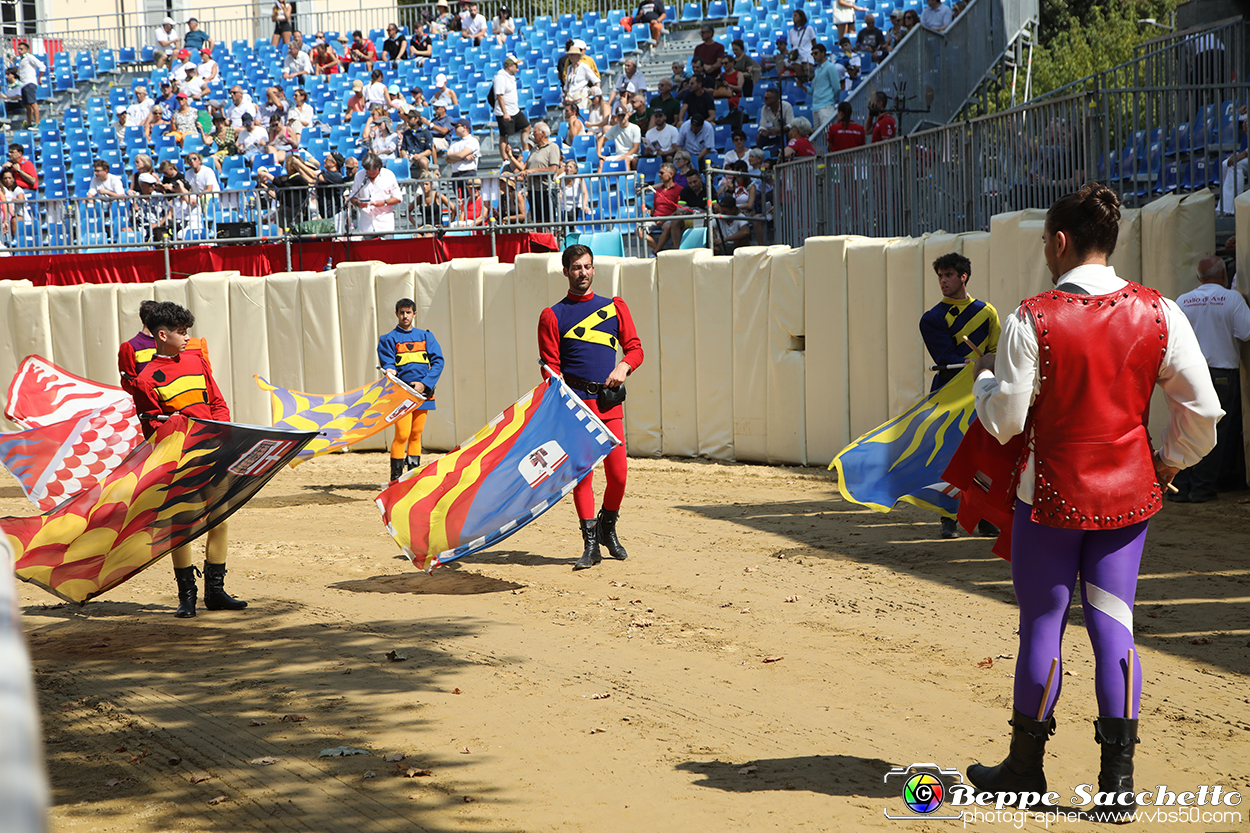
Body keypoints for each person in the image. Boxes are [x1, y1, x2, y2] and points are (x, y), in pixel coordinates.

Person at [959, 184, 1220, 823]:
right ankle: (1118, 782)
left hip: (1049, 494)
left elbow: (1006, 420)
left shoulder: (1033, 316)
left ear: (1058, 241)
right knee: (1115, 626)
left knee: (1043, 625)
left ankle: (1024, 772)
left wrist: (984, 386)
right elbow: (1203, 412)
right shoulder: (1160, 312)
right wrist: (1168, 462)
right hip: (1128, 495)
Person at [125, 301, 246, 618]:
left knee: (220, 518)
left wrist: (221, 433)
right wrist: (184, 430)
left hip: (214, 451)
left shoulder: (197, 361)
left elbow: (217, 402)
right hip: (181, 459)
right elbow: (153, 429)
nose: (187, 337)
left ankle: (215, 593)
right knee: (182, 525)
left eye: (188, 331)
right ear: (162, 335)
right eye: (181, 332)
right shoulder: (146, 379)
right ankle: (186, 597)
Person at [538, 245, 644, 569]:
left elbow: (635, 349)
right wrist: (559, 391)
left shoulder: (615, 306)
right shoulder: (552, 315)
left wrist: (623, 368)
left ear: (593, 269)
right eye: (575, 268)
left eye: (586, 267)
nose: (582, 273)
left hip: (608, 404)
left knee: (619, 476)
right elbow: (549, 367)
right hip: (576, 408)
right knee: (582, 477)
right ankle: (590, 545)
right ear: (566, 271)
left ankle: (607, 528)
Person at [919, 252, 1000, 539]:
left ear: (963, 276)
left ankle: (985, 516)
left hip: (982, 392)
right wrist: (978, 364)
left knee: (984, 456)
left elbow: (995, 351)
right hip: (949, 395)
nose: (943, 281)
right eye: (940, 276)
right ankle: (948, 518)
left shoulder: (987, 312)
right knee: (949, 456)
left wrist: (988, 365)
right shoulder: (932, 318)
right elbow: (945, 357)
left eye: (948, 275)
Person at [1171, 256, 1250, 502]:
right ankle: (1202, 487)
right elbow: (1246, 332)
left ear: (1198, 277)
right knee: (1216, 431)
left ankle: (1180, 487)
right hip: (1221, 375)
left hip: (1187, 374)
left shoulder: (1183, 300)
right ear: (1224, 276)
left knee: (1185, 429)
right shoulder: (1232, 298)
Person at [378, 298, 444, 482]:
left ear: (414, 314)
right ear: (396, 314)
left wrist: (425, 384)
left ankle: (413, 477)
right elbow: (388, 362)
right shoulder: (388, 339)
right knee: (402, 434)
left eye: (408, 312)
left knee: (416, 435)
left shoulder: (426, 336)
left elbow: (438, 362)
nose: (405, 316)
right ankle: (396, 479)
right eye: (401, 312)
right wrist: (390, 369)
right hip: (401, 394)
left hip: (423, 393)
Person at [348, 151, 402, 234]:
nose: (372, 172)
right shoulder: (359, 175)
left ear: (379, 166)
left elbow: (398, 198)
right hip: (366, 225)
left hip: (385, 224)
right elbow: (352, 197)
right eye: (368, 169)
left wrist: (384, 202)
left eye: (374, 169)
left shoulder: (388, 175)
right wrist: (359, 204)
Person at [641, 162, 684, 253]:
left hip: (669, 219)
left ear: (671, 174)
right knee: (639, 229)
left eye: (662, 173)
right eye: (659, 173)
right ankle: (660, 250)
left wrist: (663, 220)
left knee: (668, 226)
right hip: (655, 218)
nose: (659, 175)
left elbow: (678, 210)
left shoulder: (679, 190)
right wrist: (649, 212)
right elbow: (655, 208)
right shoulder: (658, 190)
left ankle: (655, 252)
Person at [493, 54, 530, 147]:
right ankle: (505, 159)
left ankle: (526, 151)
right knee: (504, 136)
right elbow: (499, 96)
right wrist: (505, 113)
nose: (517, 69)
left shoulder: (511, 77)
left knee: (526, 127)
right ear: (510, 66)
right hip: (504, 112)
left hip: (514, 110)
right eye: (516, 66)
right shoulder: (500, 77)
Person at [810, 43, 845, 128]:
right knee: (818, 137)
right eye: (812, 54)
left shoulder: (830, 67)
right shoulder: (816, 70)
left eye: (816, 53)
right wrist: (802, 87)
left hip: (826, 106)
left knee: (827, 133)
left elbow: (837, 87)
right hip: (815, 107)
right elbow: (812, 91)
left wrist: (832, 100)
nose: (814, 55)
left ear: (823, 53)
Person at [13, 45, 44, 128]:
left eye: (21, 49)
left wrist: (39, 78)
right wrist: (13, 64)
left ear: (26, 49)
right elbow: (19, 73)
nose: (19, 50)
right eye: (18, 49)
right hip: (23, 84)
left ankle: (37, 122)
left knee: (33, 103)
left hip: (29, 82)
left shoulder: (29, 57)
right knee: (27, 105)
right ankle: (29, 123)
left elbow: (42, 66)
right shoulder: (21, 60)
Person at [563, 40, 599, 108]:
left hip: (581, 98)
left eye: (572, 55)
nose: (570, 57)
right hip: (570, 99)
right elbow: (567, 85)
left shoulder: (584, 67)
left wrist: (596, 95)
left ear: (577, 56)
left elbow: (596, 80)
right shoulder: (569, 68)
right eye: (569, 55)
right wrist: (565, 97)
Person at [446, 118, 481, 183]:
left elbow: (460, 155)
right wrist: (463, 157)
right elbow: (447, 159)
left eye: (456, 127)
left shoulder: (472, 140)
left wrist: (451, 155)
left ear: (464, 127)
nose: (454, 129)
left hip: (468, 174)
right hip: (456, 174)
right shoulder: (454, 143)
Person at [785, 10, 817, 81]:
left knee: (808, 75)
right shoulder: (791, 31)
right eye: (793, 16)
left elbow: (814, 42)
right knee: (800, 77)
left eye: (795, 15)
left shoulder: (809, 28)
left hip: (807, 53)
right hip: (796, 56)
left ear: (801, 17)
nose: (793, 17)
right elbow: (792, 44)